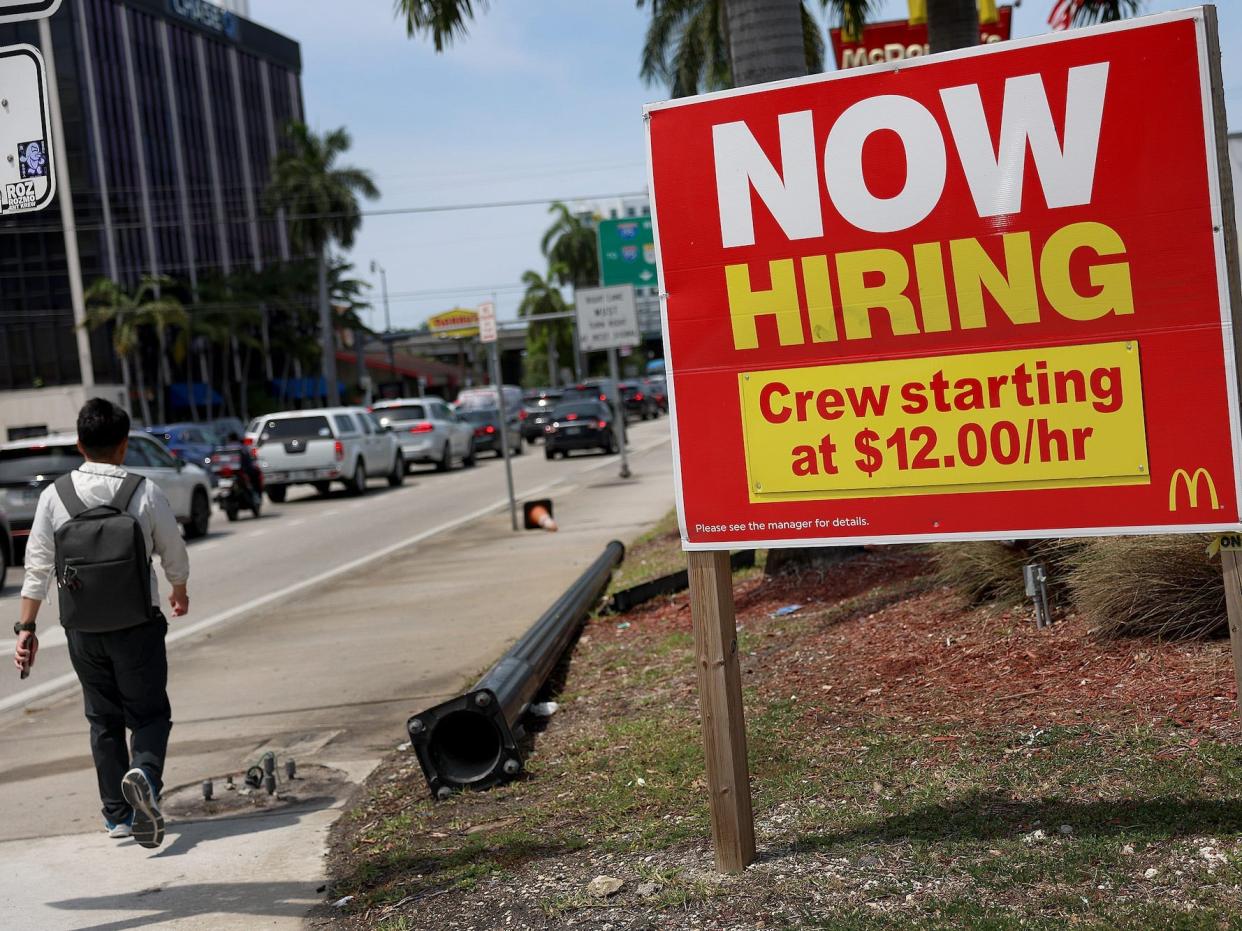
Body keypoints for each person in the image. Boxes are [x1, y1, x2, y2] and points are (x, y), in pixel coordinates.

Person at [12, 399, 189, 849]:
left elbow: (36, 567)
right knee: (149, 712)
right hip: (137, 624)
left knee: (102, 717)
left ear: (79, 444)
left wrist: (26, 629)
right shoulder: (142, 490)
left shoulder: (56, 495)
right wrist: (178, 589)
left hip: (82, 630)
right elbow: (173, 549)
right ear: (125, 444)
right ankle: (145, 774)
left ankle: (117, 816)